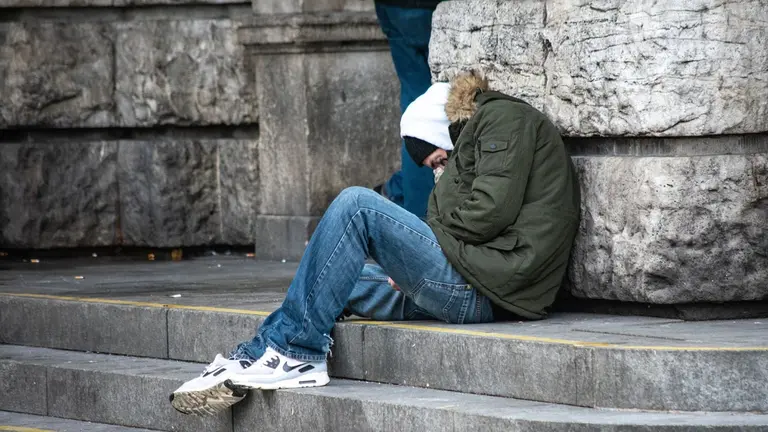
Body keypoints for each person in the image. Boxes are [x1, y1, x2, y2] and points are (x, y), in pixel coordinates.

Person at [169, 72, 581, 416]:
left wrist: (420, 252)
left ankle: (298, 351)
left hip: (489, 288)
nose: (440, 171)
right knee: (331, 272)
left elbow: (488, 212)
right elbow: (474, 215)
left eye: (438, 161)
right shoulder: (477, 140)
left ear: (444, 133)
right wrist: (412, 259)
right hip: (481, 278)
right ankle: (254, 355)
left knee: (357, 204)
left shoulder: (504, 120)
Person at [374, 0, 444, 219]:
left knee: (418, 109)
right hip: (435, 7)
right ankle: (413, 206)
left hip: (397, 8)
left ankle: (408, 203)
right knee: (438, 111)